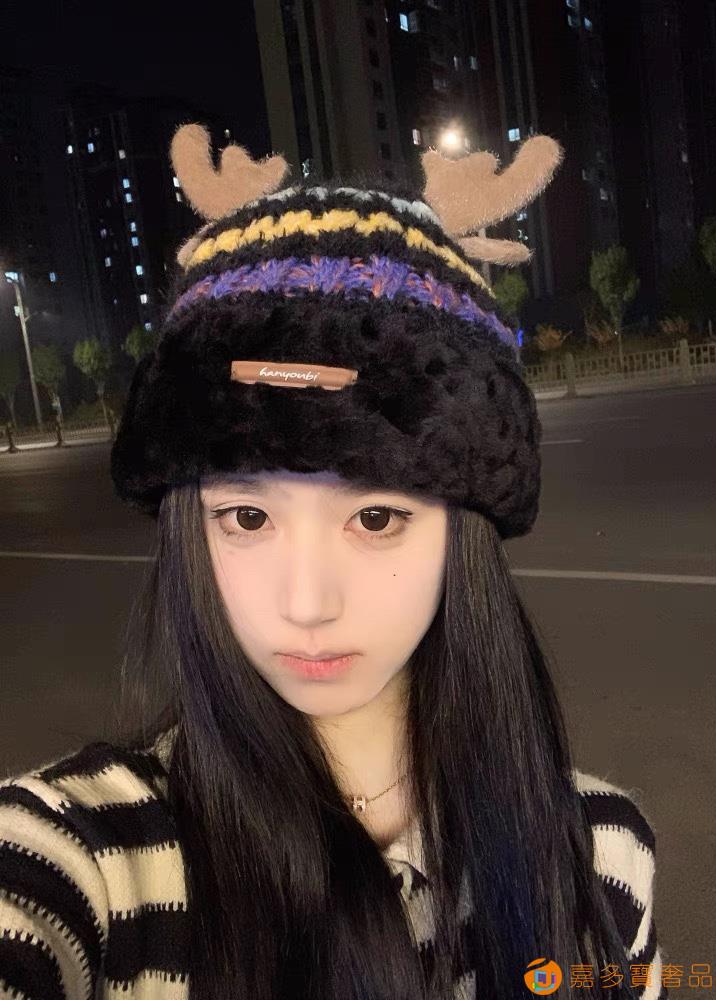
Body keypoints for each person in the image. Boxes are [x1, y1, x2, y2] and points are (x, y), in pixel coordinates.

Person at [0, 124, 668, 1000]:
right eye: (246, 517)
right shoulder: (84, 857)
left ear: (464, 532)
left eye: (377, 517)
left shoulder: (600, 858)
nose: (306, 602)